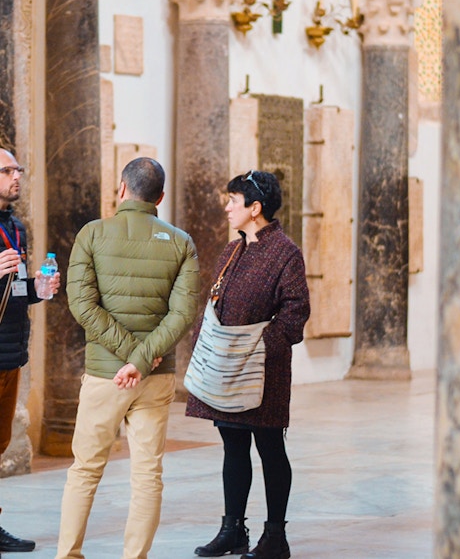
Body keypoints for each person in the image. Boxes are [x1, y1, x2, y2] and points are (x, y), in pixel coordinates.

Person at [55, 157, 200, 559]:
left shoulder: (93, 234)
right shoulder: (180, 242)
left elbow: (82, 305)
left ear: (121, 189)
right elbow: (183, 314)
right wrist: (142, 358)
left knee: (84, 471)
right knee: (148, 476)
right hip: (154, 378)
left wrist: (127, 357)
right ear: (161, 197)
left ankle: (68, 555)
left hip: (105, 375)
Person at [186, 170, 310, 559]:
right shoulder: (232, 250)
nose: (227, 207)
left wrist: (258, 349)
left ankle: (275, 537)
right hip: (225, 369)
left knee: (271, 449)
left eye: (233, 201)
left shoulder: (286, 252)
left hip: (264, 372)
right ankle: (232, 530)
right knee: (232, 447)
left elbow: (296, 313)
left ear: (255, 208)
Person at [0, 147, 60, 554]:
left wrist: (36, 290)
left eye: (18, 169)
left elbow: (14, 289)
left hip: (10, 355)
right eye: (7, 170)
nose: (16, 176)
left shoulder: (16, 227)